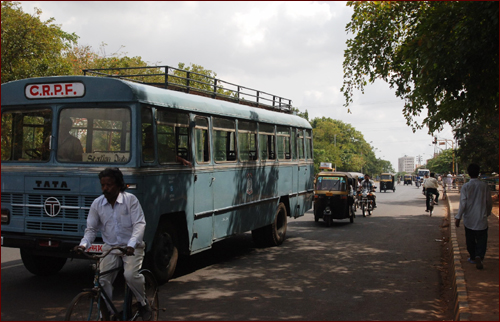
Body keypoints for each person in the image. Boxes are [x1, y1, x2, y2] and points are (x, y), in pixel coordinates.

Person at [74, 168, 152, 320]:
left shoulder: (130, 200)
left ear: (118, 185)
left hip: (131, 248)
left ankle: (143, 303)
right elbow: (91, 230)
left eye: (109, 185)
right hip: (110, 248)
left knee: (129, 275)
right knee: (102, 280)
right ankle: (109, 313)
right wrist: (83, 245)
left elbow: (139, 224)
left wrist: (131, 244)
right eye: (103, 185)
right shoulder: (97, 204)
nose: (105, 188)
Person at [455, 164, 493, 270]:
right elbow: (489, 202)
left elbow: (463, 203)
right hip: (481, 217)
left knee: (470, 239)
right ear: (479, 172)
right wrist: (488, 213)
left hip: (469, 218)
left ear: (468, 173)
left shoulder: (466, 186)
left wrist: (458, 217)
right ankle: (479, 256)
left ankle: (472, 256)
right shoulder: (484, 186)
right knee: (482, 239)